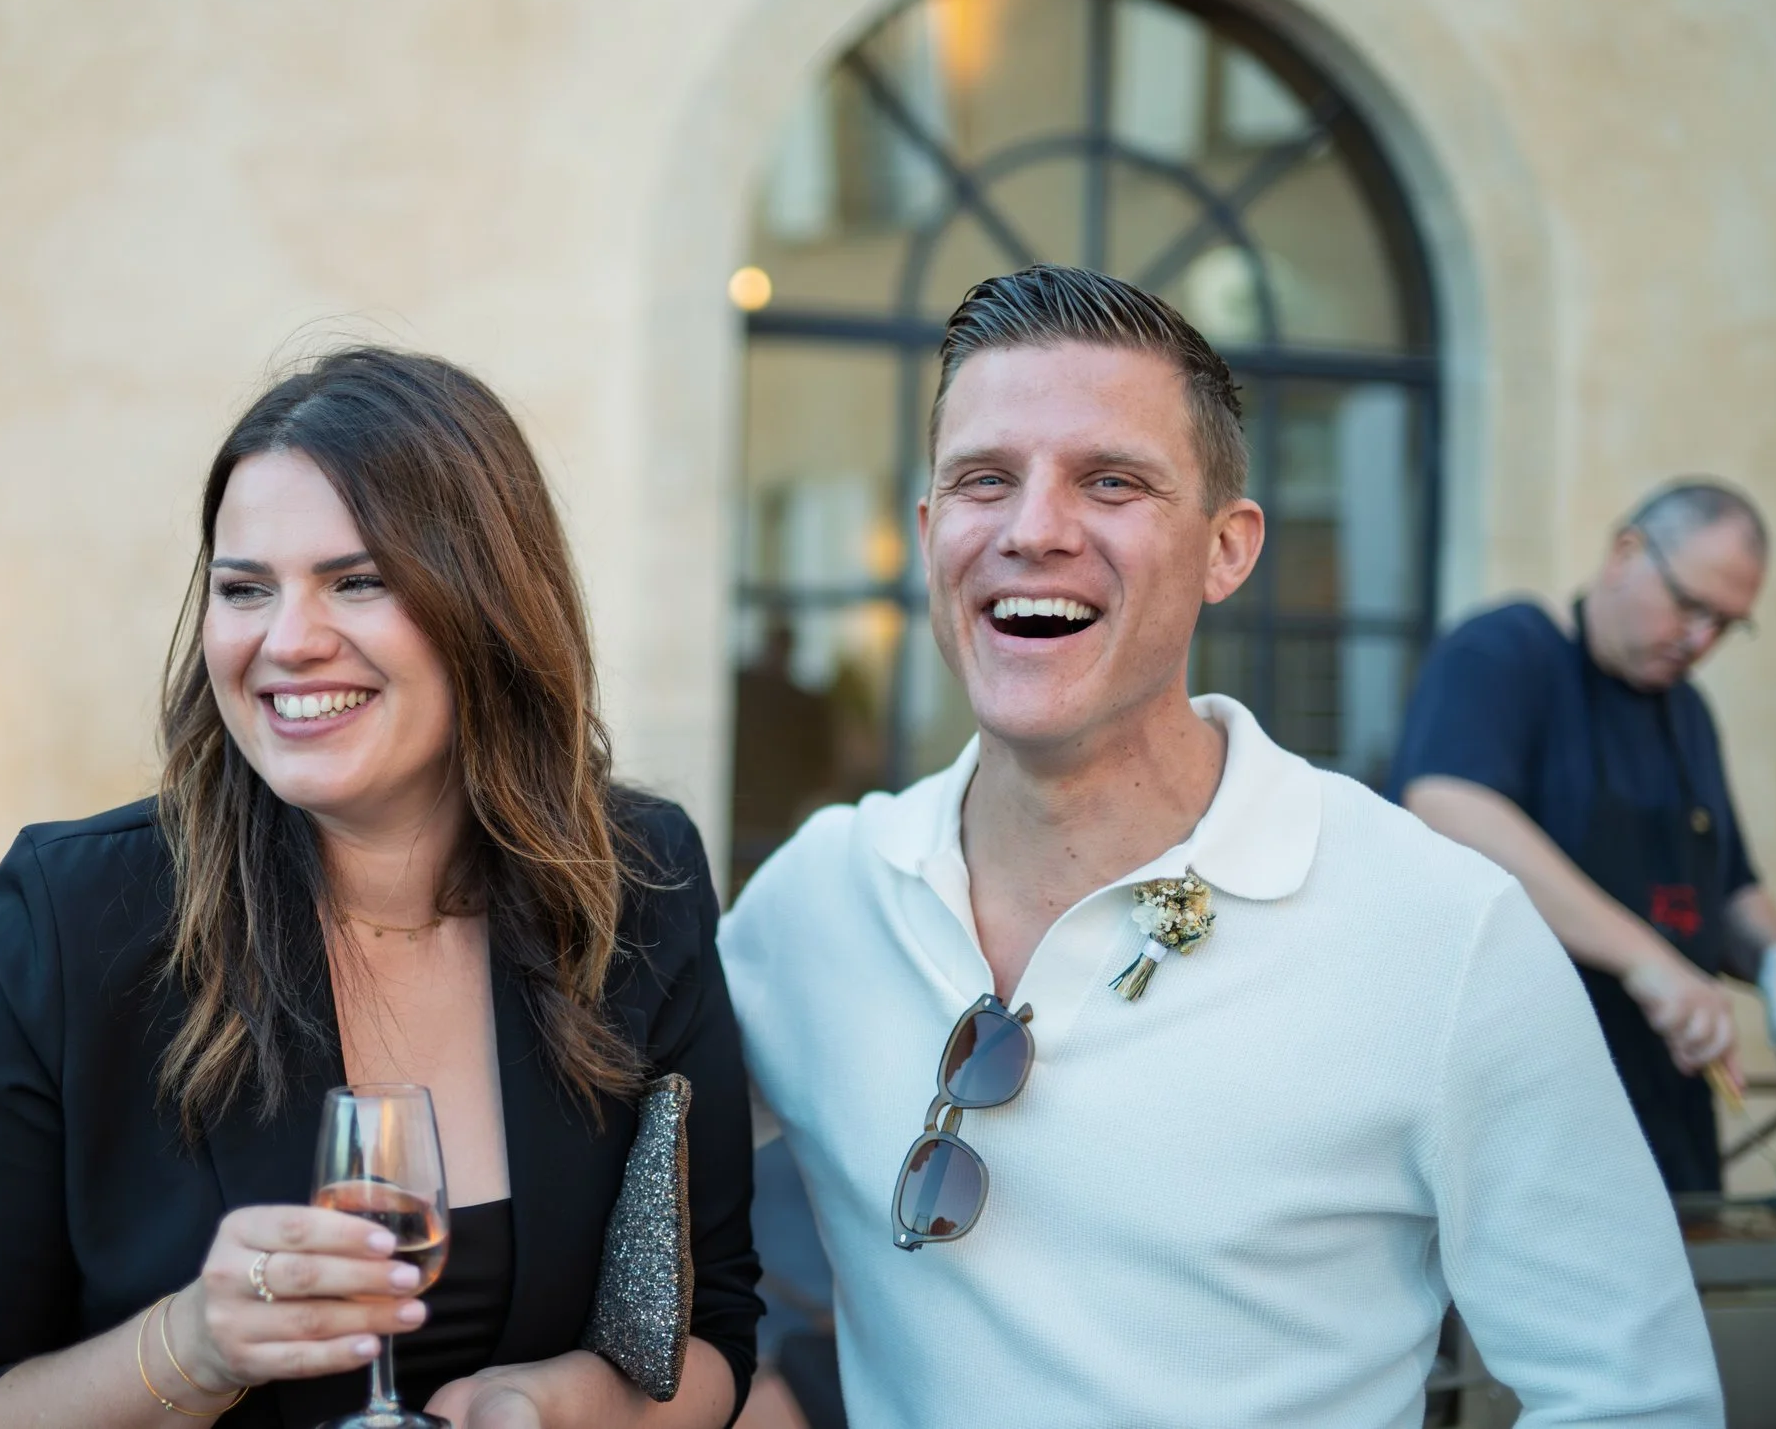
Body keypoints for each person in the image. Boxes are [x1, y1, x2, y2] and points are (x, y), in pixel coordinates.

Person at [718, 267, 1721, 1427]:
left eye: (1111, 481)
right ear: (930, 531)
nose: (1033, 529)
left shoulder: (1444, 933)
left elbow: (1634, 1397)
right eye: (984, 479)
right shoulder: (818, 897)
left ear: (1226, 549)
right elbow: (603, 1184)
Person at [0, 349, 761, 1429]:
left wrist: (545, 1406)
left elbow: (714, 1328)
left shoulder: (636, 881)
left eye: (357, 581)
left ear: (492, 603)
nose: (286, 641)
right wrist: (192, 1347)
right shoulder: (70, 920)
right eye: (245, 589)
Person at [1391, 482, 1776, 1193]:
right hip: (1522, 1115)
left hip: (1666, 1120)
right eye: (1690, 605)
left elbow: (1729, 886)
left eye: (1725, 624)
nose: (1700, 641)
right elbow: (1448, 803)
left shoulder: (1688, 714)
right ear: (1627, 553)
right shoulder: (1504, 652)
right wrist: (1648, 962)